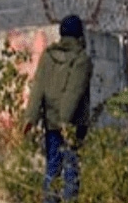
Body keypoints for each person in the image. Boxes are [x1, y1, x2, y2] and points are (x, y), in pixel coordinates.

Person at [24, 14, 93, 202]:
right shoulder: (82, 60)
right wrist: (66, 122)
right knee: (71, 167)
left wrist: (30, 118)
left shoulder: (48, 56)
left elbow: (38, 88)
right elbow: (73, 93)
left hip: (51, 123)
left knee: (52, 167)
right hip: (72, 124)